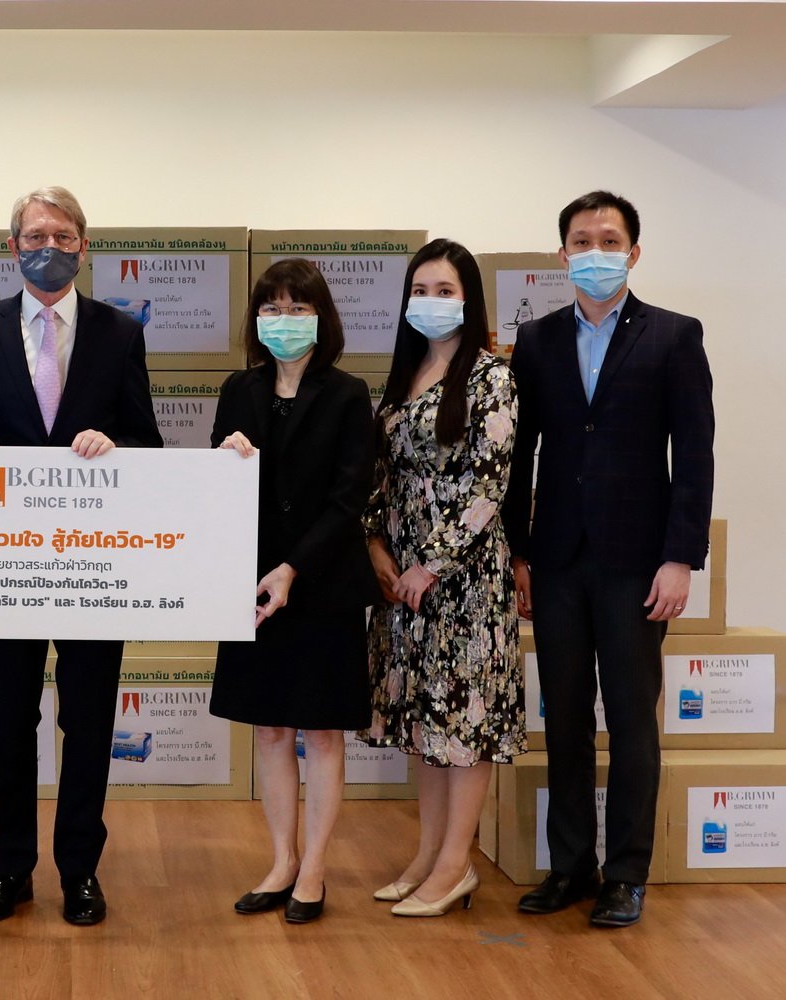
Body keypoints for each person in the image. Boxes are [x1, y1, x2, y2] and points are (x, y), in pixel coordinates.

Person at [0, 186, 163, 927]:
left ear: (83, 246)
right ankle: (11, 868)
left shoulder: (119, 331)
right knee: (8, 721)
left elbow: (146, 441)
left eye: (64, 236)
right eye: (36, 235)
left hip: (91, 566)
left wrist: (115, 444)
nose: (50, 247)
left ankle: (80, 870)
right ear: (13, 247)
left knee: (91, 722)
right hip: (6, 565)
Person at [503, 192, 713, 928]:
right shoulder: (536, 341)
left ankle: (626, 874)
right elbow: (519, 455)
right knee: (563, 718)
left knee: (630, 720)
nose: (596, 252)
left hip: (637, 563)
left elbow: (693, 455)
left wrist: (681, 558)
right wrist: (518, 553)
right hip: (557, 559)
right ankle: (570, 867)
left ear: (634, 252)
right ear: (562, 254)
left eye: (610, 240)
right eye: (582, 240)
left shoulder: (675, 335)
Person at [211, 259, 377, 925]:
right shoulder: (237, 388)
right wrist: (226, 460)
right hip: (251, 582)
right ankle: (281, 860)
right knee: (271, 729)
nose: (284, 320)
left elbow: (349, 499)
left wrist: (293, 568)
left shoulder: (348, 393)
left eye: (297, 307)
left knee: (322, 733)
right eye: (272, 308)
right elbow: (217, 489)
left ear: (321, 317)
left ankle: (315, 869)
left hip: (323, 584)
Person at [361, 238, 524, 917]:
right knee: (425, 727)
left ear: (469, 300)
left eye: (445, 291)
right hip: (403, 585)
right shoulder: (404, 374)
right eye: (420, 291)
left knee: (463, 725)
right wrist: (376, 544)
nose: (431, 302)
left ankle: (456, 864)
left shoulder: (491, 378)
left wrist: (430, 563)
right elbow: (381, 474)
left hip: (463, 585)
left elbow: (490, 488)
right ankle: (427, 856)